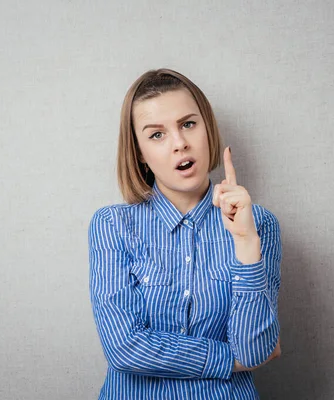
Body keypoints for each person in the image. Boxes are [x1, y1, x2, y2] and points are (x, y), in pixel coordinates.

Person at [88, 68, 282, 399]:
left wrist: (246, 243)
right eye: (157, 135)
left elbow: (253, 352)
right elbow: (124, 348)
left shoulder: (259, 224)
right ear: (140, 153)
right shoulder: (112, 226)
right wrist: (225, 359)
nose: (180, 144)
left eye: (188, 124)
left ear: (208, 129)